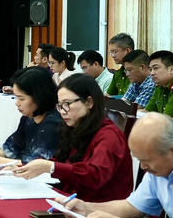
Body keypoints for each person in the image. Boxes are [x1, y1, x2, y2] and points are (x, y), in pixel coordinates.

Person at [64, 114, 173, 218]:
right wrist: (86, 208)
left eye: (146, 160)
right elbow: (133, 206)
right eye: (139, 160)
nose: (142, 167)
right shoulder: (162, 159)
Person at [12, 74, 134, 202]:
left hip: (101, 208)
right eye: (59, 105)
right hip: (72, 201)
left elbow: (94, 175)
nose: (62, 111)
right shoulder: (75, 127)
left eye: (67, 104)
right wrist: (25, 167)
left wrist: (50, 166)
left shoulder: (109, 135)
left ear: (89, 102)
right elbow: (61, 160)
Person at [0, 67, 63, 163]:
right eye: (16, 97)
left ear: (40, 96)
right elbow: (10, 150)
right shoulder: (28, 119)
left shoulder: (53, 124)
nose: (17, 103)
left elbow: (35, 166)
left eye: (21, 98)